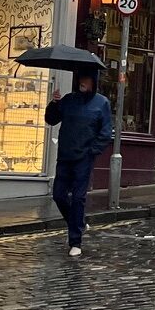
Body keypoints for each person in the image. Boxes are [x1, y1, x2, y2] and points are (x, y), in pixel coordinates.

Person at [45, 69, 112, 258]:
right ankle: (79, 224)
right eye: (81, 78)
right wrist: (54, 102)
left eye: (86, 78)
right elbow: (51, 119)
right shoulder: (68, 100)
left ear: (93, 81)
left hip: (84, 158)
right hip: (65, 156)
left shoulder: (101, 103)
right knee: (58, 195)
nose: (82, 81)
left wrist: (92, 151)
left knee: (78, 198)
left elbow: (106, 132)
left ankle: (75, 241)